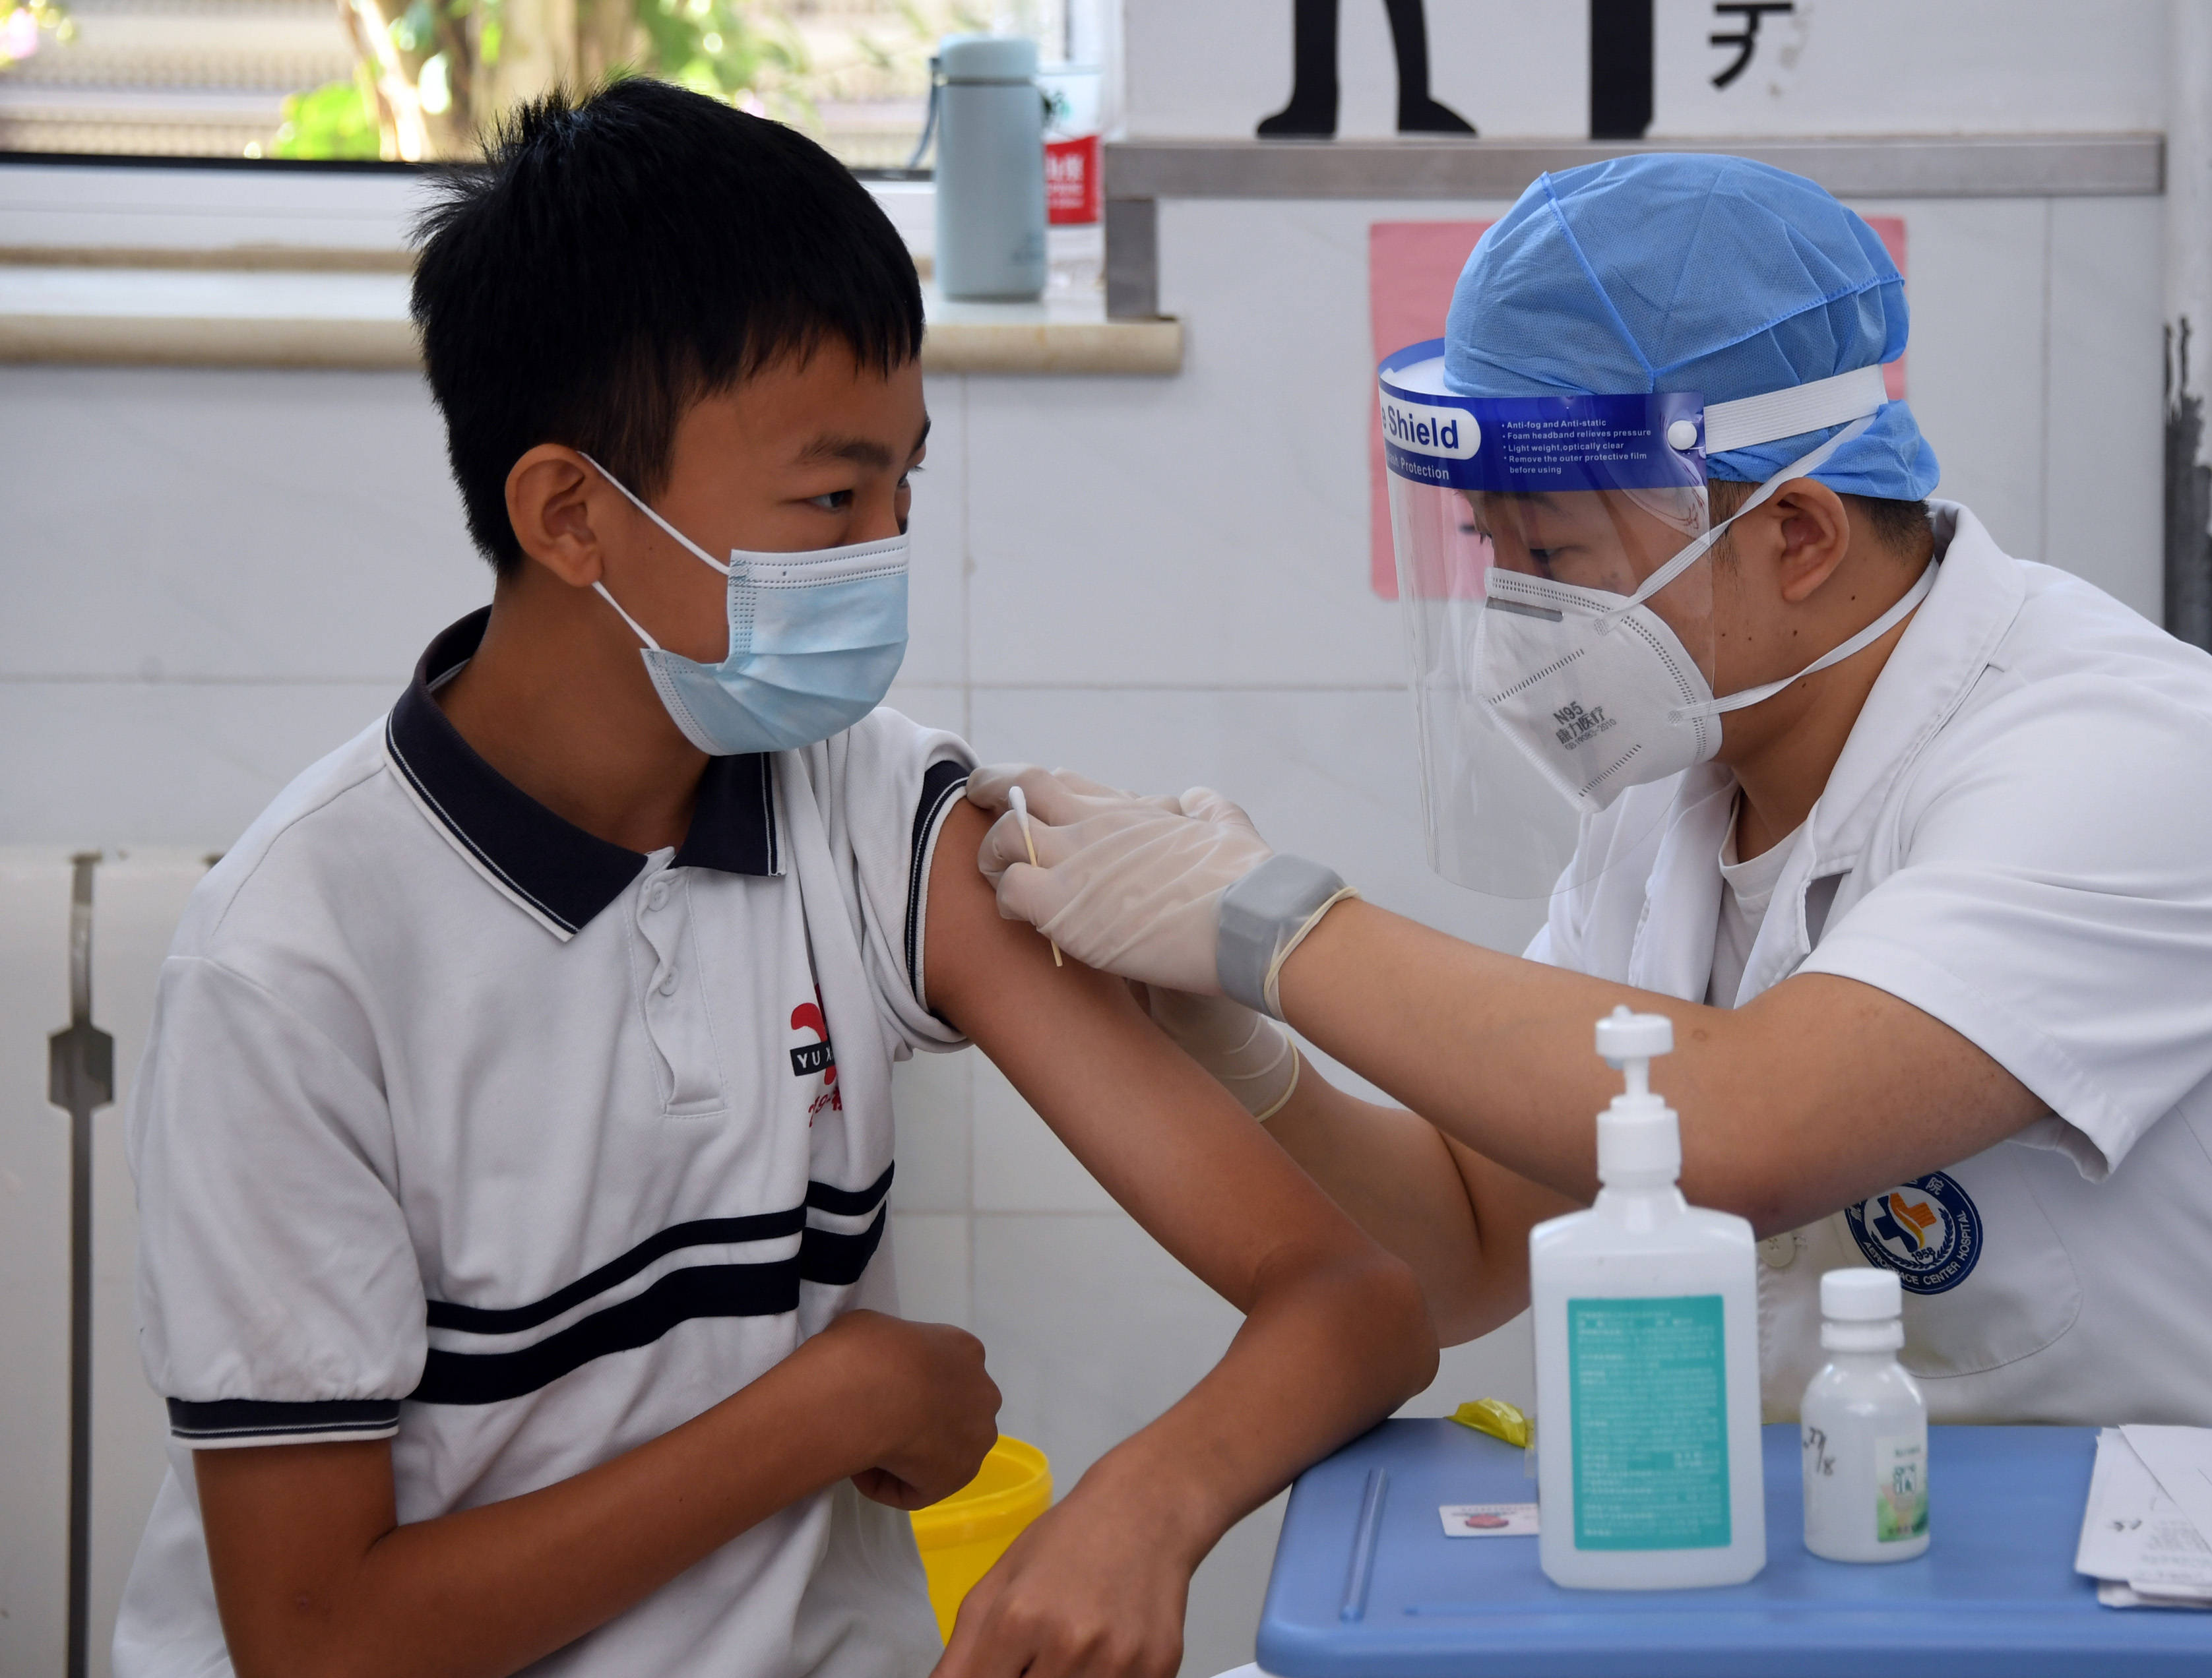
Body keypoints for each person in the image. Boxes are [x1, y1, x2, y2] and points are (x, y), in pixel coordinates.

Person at [115, 80, 1434, 1678]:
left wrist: (1140, 1512)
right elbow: (319, 1643)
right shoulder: (296, 963)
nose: (884, 552)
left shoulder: (867, 811)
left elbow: (1352, 1299)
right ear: (572, 513)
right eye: (830, 499)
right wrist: (829, 1407)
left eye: (905, 488)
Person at [967, 154, 2212, 1430]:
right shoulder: (1679, 787)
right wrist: (1246, 1054)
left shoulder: (2123, 757)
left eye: (1559, 559)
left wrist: (1270, 925)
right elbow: (1470, 1246)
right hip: (1909, 1582)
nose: (1519, 617)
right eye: (1497, 555)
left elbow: (1748, 1121)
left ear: (1800, 535)